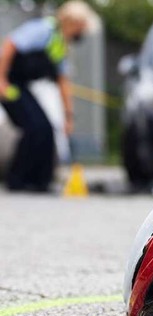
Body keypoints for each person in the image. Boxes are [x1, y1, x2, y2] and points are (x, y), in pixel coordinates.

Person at [0, 1, 99, 192]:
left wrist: (68, 117)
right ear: (73, 22)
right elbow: (10, 44)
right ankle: (18, 180)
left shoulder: (60, 44)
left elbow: (63, 81)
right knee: (34, 127)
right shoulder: (43, 30)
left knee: (45, 129)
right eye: (81, 27)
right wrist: (1, 79)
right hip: (10, 84)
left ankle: (41, 182)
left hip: (21, 86)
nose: (82, 33)